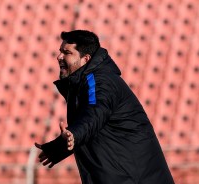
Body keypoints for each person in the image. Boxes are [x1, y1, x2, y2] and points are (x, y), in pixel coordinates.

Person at [35, 30, 174, 184]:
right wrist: (60, 147)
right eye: (60, 51)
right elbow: (95, 128)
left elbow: (95, 113)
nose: (59, 57)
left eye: (66, 52)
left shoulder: (100, 81)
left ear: (85, 59)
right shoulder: (84, 83)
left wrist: (74, 134)